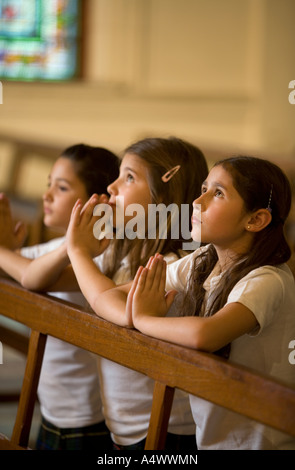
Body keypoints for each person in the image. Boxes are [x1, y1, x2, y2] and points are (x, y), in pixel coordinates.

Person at [23, 136, 209, 450]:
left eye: (129, 178)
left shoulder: (174, 265)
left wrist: (79, 252)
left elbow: (120, 312)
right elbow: (35, 280)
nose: (112, 187)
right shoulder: (120, 256)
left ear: (163, 198)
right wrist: (74, 246)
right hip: (125, 430)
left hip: (165, 433)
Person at [129, 155, 295, 450]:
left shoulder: (269, 279)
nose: (197, 201)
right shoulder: (204, 260)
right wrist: (135, 311)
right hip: (212, 439)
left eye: (218, 193)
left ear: (255, 219)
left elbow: (204, 335)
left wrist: (142, 320)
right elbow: (112, 296)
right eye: (204, 187)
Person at [0, 143, 119, 450]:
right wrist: (9, 252)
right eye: (48, 183)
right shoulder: (52, 253)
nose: (47, 195)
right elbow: (21, 268)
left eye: (62, 187)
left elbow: (30, 275)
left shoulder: (97, 259)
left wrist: (5, 251)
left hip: (84, 422)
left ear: (97, 202)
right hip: (52, 413)